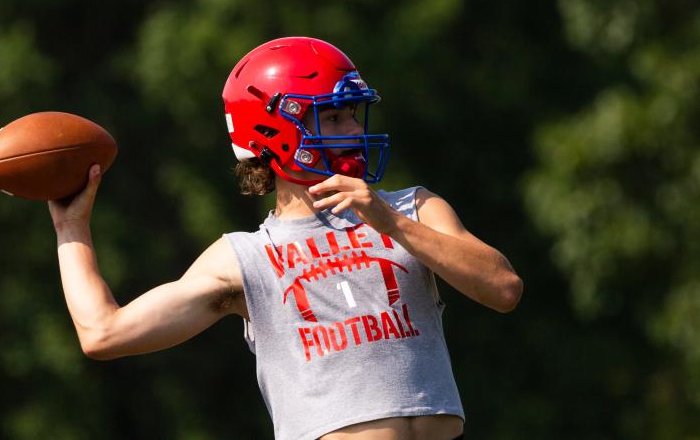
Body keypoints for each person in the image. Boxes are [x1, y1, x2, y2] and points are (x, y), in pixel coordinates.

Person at [49, 37, 523, 440]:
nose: (356, 130)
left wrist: (389, 222)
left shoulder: (412, 210)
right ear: (274, 132)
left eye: (352, 115)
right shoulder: (246, 257)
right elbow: (103, 333)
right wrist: (71, 228)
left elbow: (503, 289)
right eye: (333, 118)